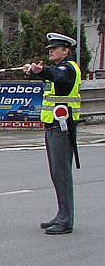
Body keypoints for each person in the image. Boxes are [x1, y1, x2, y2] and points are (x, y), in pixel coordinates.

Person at [23, 32, 82, 235]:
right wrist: (36, 72)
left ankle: (66, 220)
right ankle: (61, 214)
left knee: (62, 174)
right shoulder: (58, 69)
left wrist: (42, 70)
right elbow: (51, 77)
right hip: (52, 126)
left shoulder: (68, 68)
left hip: (62, 127)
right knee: (57, 174)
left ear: (66, 50)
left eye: (54, 48)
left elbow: (58, 76)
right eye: (49, 49)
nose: (50, 51)